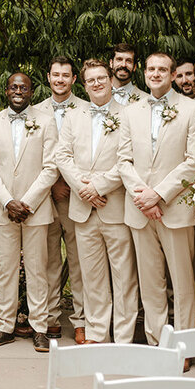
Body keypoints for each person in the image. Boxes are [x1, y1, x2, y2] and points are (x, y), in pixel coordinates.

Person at [116, 52, 195, 350]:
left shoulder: (193, 109)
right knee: (150, 281)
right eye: (151, 69)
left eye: (162, 70)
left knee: (182, 281)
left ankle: (183, 346)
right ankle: (156, 343)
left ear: (173, 75)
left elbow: (194, 161)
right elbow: (123, 160)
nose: (155, 74)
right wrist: (143, 196)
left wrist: (159, 194)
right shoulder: (129, 112)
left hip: (175, 208)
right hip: (140, 209)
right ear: (144, 73)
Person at [53, 59, 137, 345]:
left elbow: (129, 159)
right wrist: (82, 187)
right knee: (92, 276)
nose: (97, 83)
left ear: (111, 80)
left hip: (115, 206)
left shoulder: (128, 114)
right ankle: (98, 334)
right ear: (84, 85)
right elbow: (62, 155)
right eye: (91, 80)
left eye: (102, 78)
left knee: (124, 276)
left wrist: (100, 186)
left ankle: (123, 338)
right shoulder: (73, 116)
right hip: (83, 208)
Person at [0, 72, 60, 352]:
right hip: (4, 210)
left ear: (31, 92)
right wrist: (7, 202)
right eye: (13, 87)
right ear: (6, 90)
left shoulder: (46, 121)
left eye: (23, 88)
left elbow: (51, 167)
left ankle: (40, 328)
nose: (18, 91)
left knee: (38, 270)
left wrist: (26, 202)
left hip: (36, 209)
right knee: (7, 270)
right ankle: (5, 326)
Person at [31, 56, 86, 344]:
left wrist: (69, 183)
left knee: (79, 261)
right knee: (48, 260)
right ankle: (50, 317)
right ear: (49, 77)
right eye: (56, 75)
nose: (60, 79)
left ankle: (81, 320)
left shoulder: (86, 109)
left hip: (76, 196)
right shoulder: (35, 111)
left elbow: (88, 153)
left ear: (74, 79)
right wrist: (51, 185)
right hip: (45, 197)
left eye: (66, 75)